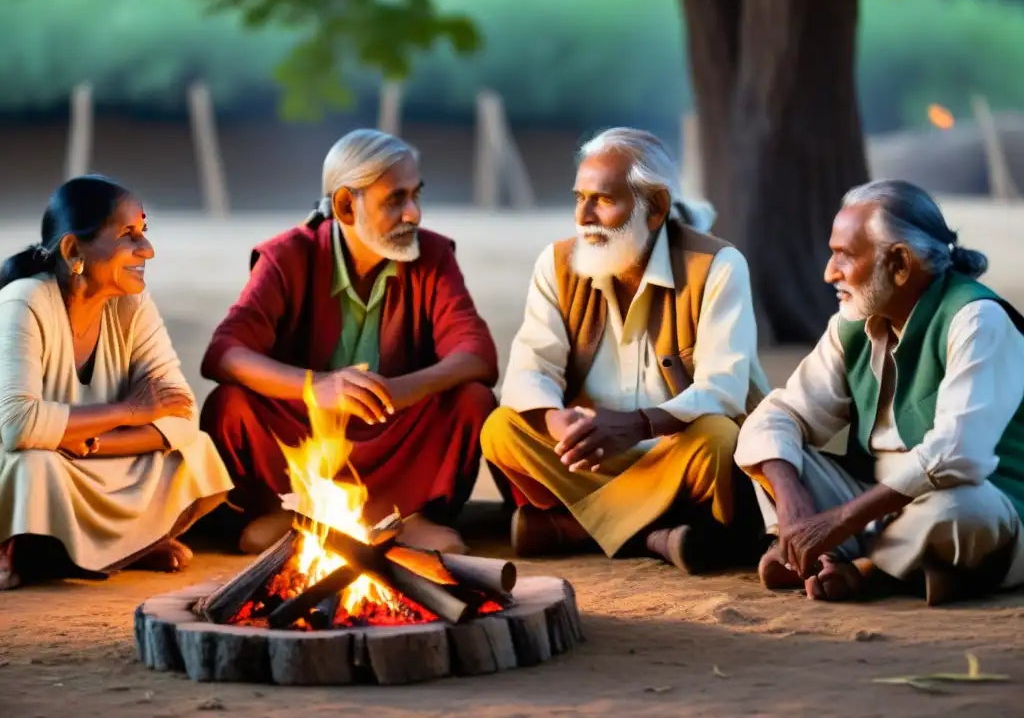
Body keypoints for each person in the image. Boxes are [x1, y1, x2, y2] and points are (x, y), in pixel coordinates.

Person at [481, 127, 769, 572]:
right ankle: (657, 534)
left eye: (603, 200)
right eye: (579, 198)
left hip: (676, 453)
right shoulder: (556, 264)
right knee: (501, 429)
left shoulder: (717, 266)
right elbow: (529, 369)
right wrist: (558, 422)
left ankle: (573, 529)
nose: (584, 216)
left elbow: (724, 388)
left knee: (720, 439)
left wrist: (637, 425)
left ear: (654, 209)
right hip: (590, 459)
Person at [200, 129, 499, 555]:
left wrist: (403, 388)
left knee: (473, 400)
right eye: (395, 199)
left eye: (416, 195)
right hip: (308, 433)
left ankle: (412, 518)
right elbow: (225, 353)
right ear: (344, 205)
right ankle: (288, 514)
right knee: (229, 404)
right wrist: (314, 386)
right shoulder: (287, 256)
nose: (414, 214)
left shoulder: (432, 255)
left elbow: (477, 354)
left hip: (396, 430)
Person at [735, 179, 1024, 605]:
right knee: (773, 453)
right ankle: (825, 556)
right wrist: (794, 505)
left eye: (843, 256)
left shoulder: (977, 320)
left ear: (900, 264)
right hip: (872, 505)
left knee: (966, 511)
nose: (829, 273)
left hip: (974, 499)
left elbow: (957, 455)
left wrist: (838, 522)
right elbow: (781, 414)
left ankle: (866, 570)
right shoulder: (852, 324)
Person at [0, 175, 233, 590]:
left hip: (81, 458)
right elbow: (18, 426)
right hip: (37, 464)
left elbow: (181, 415)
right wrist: (129, 412)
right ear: (74, 250)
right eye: (129, 235)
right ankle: (106, 547)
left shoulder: (133, 303)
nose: (147, 249)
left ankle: (112, 548)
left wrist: (90, 444)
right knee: (32, 467)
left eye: (144, 232)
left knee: (195, 452)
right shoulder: (25, 300)